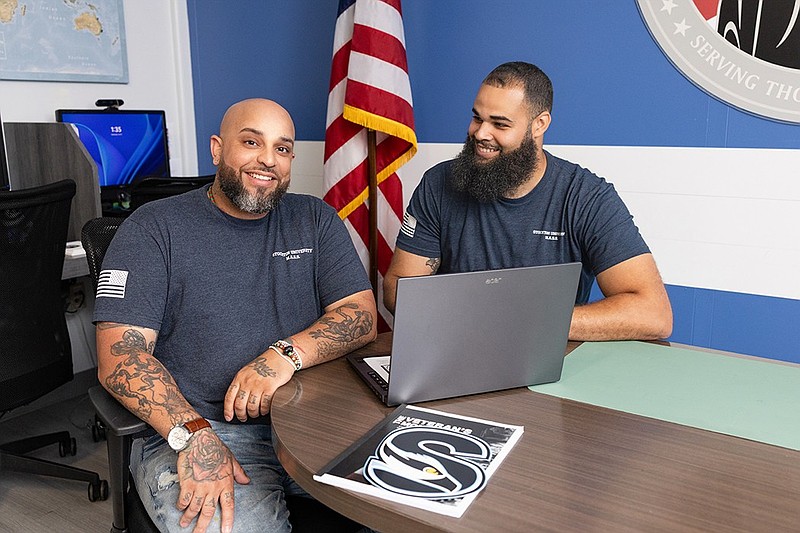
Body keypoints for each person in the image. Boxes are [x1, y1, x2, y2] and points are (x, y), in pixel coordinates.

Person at [94, 98, 377, 533]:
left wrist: (283, 356)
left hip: (311, 421)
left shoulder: (315, 219)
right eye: (251, 142)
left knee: (414, 509)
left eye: (282, 149)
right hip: (198, 428)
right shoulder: (153, 228)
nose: (268, 159)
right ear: (216, 149)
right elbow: (121, 356)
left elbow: (360, 315)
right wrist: (193, 435)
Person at [384, 62, 672, 341]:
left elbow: (653, 313)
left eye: (500, 124)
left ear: (539, 124)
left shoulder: (587, 198)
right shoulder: (438, 184)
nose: (481, 133)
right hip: (454, 347)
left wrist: (527, 322)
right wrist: (479, 321)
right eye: (477, 118)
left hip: (547, 358)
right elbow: (398, 289)